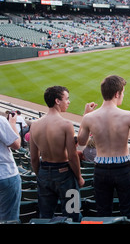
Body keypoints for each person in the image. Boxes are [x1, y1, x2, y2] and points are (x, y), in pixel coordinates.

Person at [77, 75, 130, 219]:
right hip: (123, 168)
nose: (123, 95)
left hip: (101, 169)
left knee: (103, 213)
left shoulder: (89, 118)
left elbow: (81, 142)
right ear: (117, 93)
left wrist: (85, 115)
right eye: (123, 92)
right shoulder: (128, 115)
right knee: (128, 211)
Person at [29, 86, 84, 222]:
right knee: (73, 214)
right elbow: (72, 156)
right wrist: (79, 177)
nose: (69, 102)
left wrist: (40, 174)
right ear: (57, 101)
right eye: (67, 99)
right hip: (65, 174)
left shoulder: (34, 125)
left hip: (43, 173)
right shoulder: (66, 124)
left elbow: (34, 158)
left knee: (45, 216)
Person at [0, 113, 21, 222]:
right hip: (5, 175)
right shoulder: (1, 121)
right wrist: (12, 123)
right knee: (9, 219)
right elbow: (17, 144)